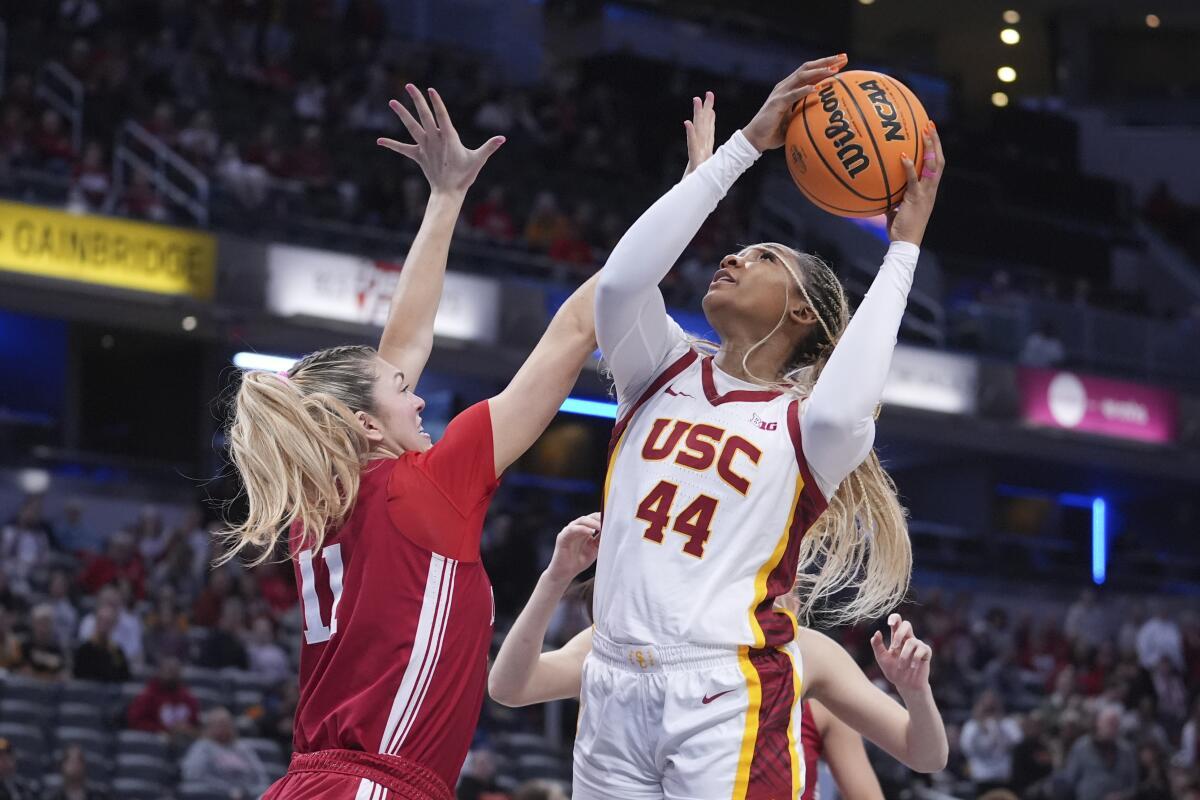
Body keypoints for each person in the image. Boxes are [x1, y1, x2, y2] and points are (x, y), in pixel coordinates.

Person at [579, 55, 946, 797]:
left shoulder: (811, 429)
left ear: (803, 311)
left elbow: (848, 402)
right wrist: (744, 146)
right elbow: (620, 280)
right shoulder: (659, 368)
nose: (736, 253)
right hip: (610, 685)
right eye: (742, 247)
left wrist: (903, 247)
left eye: (765, 255)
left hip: (725, 692)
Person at [223, 87, 600, 800]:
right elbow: (579, 325)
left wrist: (447, 197)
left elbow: (401, 346)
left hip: (315, 783)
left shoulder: (327, 499)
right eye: (403, 393)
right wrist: (705, 183)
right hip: (376, 786)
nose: (420, 395)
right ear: (367, 426)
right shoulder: (419, 488)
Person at [488, 512, 922, 800]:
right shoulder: (637, 636)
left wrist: (915, 691)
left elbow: (923, 755)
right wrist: (556, 575)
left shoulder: (807, 653)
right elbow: (510, 687)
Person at [181, 708, 271, 799]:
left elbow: (261, 777)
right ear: (209, 727)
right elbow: (194, 775)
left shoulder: (243, 748)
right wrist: (227, 791)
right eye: (219, 724)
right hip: (216, 795)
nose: (224, 728)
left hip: (247, 795)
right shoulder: (202, 747)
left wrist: (247, 792)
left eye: (227, 724)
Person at [1059, 706, 1138, 800]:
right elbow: (1070, 780)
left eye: (1115, 724)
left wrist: (1122, 796)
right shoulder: (1082, 747)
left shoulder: (1127, 750)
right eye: (1109, 723)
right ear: (1098, 723)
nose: (1112, 727)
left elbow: (1134, 784)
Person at [960, 690, 1022, 792]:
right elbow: (966, 748)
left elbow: (1018, 742)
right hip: (981, 776)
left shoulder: (1008, 724)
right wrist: (979, 726)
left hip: (1003, 776)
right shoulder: (971, 726)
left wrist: (1000, 725)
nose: (989, 713)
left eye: (992, 708)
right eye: (986, 708)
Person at [126, 657, 200, 736]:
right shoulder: (147, 696)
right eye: (168, 670)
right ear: (160, 672)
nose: (172, 675)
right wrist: (161, 730)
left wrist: (188, 729)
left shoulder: (188, 698)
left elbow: (194, 722)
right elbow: (135, 721)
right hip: (154, 740)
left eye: (175, 671)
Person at [72, 604, 131, 682]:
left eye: (108, 622)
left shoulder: (117, 652)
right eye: (101, 620)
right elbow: (77, 676)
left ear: (113, 625)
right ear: (96, 622)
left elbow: (124, 677)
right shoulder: (84, 650)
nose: (103, 625)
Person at [20, 603, 68, 680]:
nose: (43, 628)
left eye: (46, 623)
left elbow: (62, 675)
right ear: (33, 624)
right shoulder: (25, 646)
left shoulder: (57, 648)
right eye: (40, 623)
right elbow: (24, 672)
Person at [43, 744, 110, 800]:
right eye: (70, 760)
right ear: (62, 766)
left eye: (78, 760)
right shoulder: (53, 797)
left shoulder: (98, 797)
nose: (74, 764)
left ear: (84, 765)